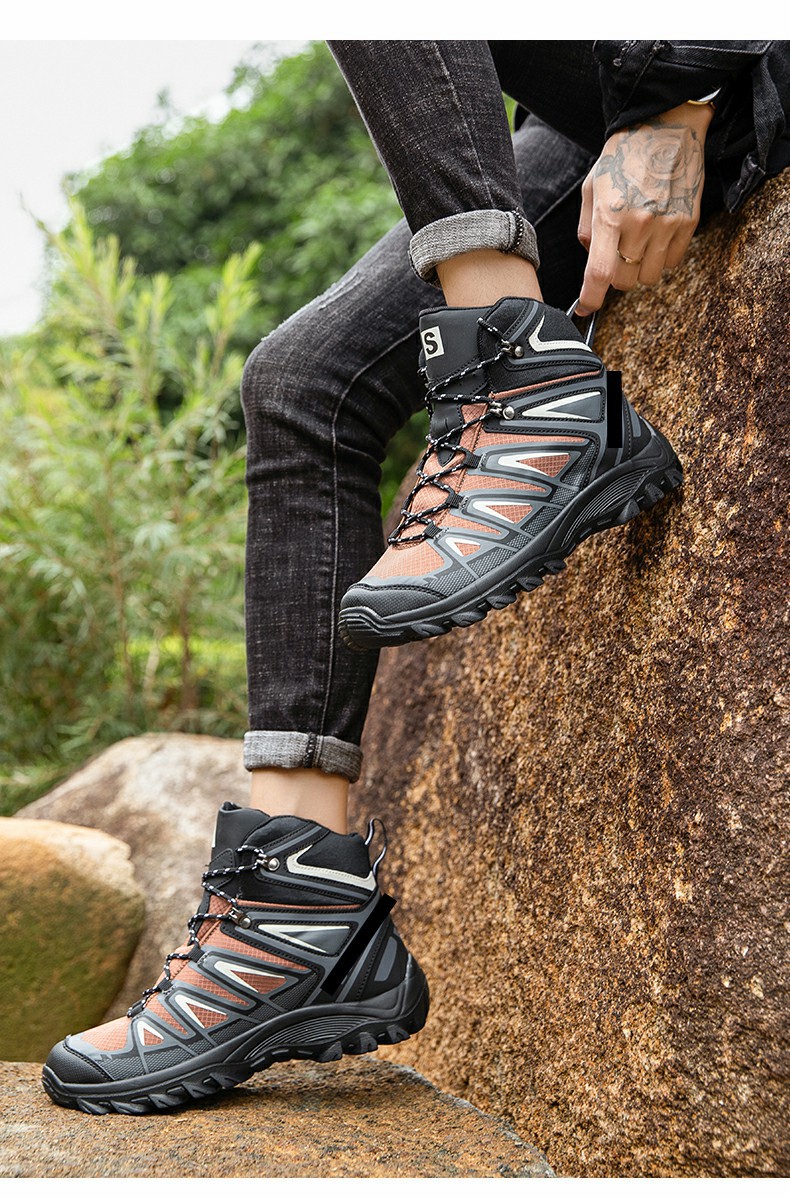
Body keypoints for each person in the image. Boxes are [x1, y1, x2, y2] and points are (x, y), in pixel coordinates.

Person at [42, 41, 789, 1115]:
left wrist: (686, 95)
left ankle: (522, 378)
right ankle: (297, 908)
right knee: (300, 385)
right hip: (601, 102)